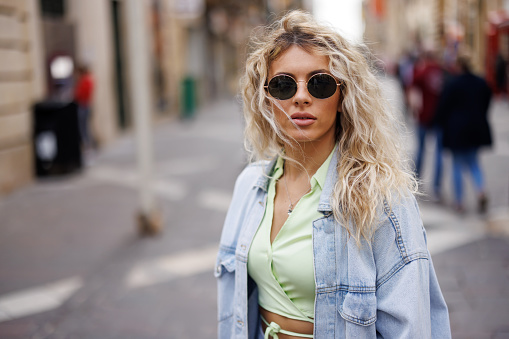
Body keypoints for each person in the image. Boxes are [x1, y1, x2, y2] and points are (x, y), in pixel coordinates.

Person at [216, 10, 451, 338]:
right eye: (283, 85)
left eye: (320, 84)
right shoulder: (249, 186)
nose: (301, 96)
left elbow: (412, 327)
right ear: (267, 99)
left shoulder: (380, 195)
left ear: (342, 97)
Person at [435, 55, 492, 213]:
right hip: (475, 129)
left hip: (457, 130)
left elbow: (443, 106)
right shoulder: (480, 82)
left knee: (457, 165)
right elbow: (488, 99)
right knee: (474, 163)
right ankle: (480, 191)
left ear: (459, 66)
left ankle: (459, 201)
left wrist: (439, 122)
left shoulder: (454, 83)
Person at [411, 51, 444, 200]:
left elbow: (412, 89)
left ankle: (417, 182)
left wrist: (414, 108)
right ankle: (437, 187)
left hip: (424, 116)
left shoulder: (422, 71)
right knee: (439, 154)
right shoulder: (442, 72)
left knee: (421, 150)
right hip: (439, 117)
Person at [74, 65, 95, 152]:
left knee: (84, 129)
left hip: (83, 106)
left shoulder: (85, 81)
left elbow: (79, 95)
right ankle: (88, 147)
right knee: (85, 128)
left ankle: (88, 148)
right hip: (86, 105)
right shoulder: (87, 80)